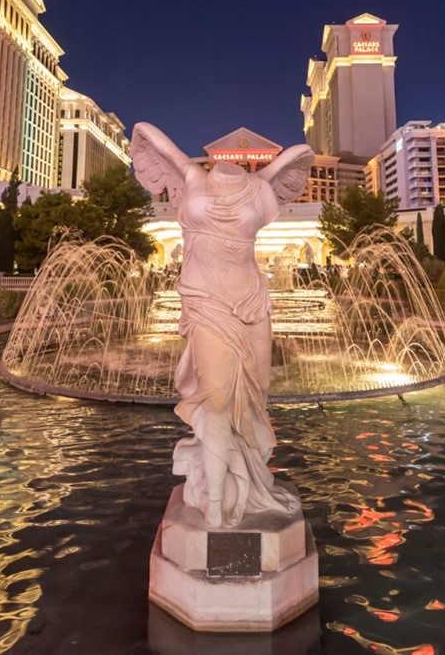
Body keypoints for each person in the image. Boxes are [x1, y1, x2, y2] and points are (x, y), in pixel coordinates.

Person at [131, 121, 313, 528]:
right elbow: (146, 131)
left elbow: (299, 156)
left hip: (251, 300)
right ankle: (215, 500)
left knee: (255, 394)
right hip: (206, 300)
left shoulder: (260, 188)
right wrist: (143, 135)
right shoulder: (191, 176)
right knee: (216, 401)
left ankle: (252, 481)